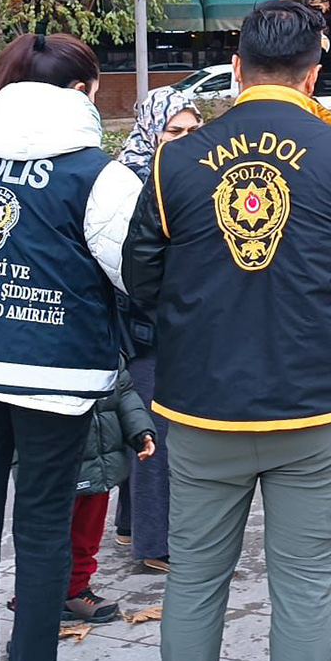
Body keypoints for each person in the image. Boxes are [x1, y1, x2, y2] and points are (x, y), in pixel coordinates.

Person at [123, 0, 331, 661]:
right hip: (316, 407)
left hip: (201, 411)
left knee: (193, 580)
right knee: (306, 589)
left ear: (236, 69)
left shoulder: (173, 162)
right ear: (313, 75)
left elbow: (142, 280)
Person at [0, 32, 141, 661]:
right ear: (79, 92)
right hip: (56, 374)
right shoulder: (99, 175)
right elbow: (130, 274)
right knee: (43, 525)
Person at [115, 86, 204, 572]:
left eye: (193, 131)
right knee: (157, 431)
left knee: (142, 425)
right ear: (151, 131)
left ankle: (131, 526)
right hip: (145, 323)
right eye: (174, 131)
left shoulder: (178, 175)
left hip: (160, 320)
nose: (185, 140)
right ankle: (156, 543)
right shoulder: (132, 180)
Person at [8, 365, 158, 625]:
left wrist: (140, 430)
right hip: (52, 463)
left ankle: (75, 591)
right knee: (46, 536)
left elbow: (124, 391)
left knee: (87, 535)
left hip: (99, 462)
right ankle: (33, 601)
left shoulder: (105, 343)